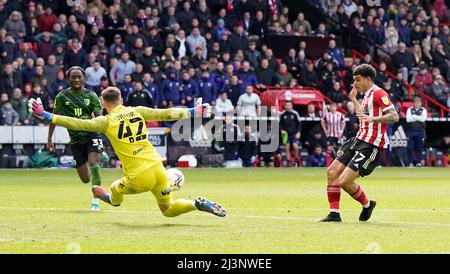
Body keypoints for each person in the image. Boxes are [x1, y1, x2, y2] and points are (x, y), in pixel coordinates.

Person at [30, 87, 226, 218]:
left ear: (103, 103)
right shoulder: (138, 110)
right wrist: (192, 111)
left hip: (138, 175)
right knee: (167, 209)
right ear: (121, 100)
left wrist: (47, 115)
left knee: (115, 189)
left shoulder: (105, 121)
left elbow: (77, 123)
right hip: (158, 167)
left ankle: (106, 198)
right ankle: (196, 204)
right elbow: (165, 113)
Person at [321, 64, 399, 222]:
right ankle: (334, 214)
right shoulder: (366, 96)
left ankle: (367, 204)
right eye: (354, 80)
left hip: (372, 145)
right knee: (332, 172)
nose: (355, 83)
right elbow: (363, 116)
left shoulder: (378, 93)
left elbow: (394, 116)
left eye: (358, 80)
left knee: (344, 181)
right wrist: (353, 99)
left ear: (368, 79)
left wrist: (374, 119)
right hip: (358, 139)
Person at [47, 66, 106, 211]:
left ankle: (96, 202)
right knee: (85, 179)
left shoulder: (92, 96)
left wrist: (105, 133)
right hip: (76, 140)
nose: (77, 79)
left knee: (94, 163)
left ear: (84, 78)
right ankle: (97, 156)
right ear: (68, 79)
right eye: (73, 77)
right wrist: (49, 139)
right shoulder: (62, 97)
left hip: (92, 133)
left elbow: (100, 119)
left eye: (79, 76)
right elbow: (53, 118)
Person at [406, 97, 427, 167]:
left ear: (421, 103)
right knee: (410, 148)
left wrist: (414, 116)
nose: (417, 104)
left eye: (419, 102)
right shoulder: (409, 109)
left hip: (420, 131)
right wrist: (418, 117)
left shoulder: (423, 110)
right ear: (414, 103)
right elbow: (408, 119)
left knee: (420, 148)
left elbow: (423, 119)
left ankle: (419, 162)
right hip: (411, 131)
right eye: (416, 102)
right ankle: (410, 163)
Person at [280, 101, 302, 167]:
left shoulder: (295, 113)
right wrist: (281, 130)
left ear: (291, 106)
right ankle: (289, 162)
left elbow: (299, 124)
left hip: (293, 133)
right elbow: (280, 124)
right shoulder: (282, 114)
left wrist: (298, 132)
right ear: (285, 106)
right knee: (287, 148)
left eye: (289, 105)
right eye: (286, 105)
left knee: (295, 146)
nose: (288, 107)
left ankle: (296, 160)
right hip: (286, 134)